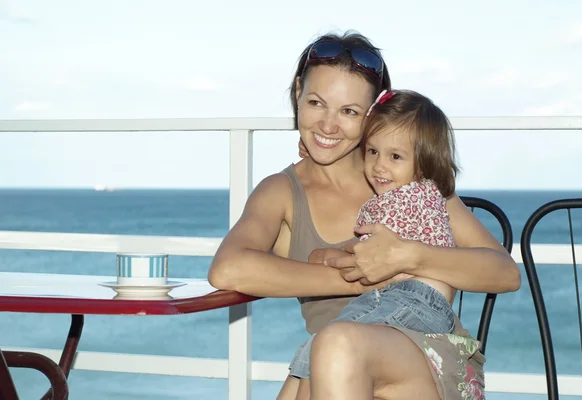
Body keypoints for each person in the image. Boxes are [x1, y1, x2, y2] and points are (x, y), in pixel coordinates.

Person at [208, 30, 521, 400]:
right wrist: (367, 278)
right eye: (316, 103)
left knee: (334, 349)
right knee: (329, 353)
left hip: (421, 361)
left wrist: (411, 256)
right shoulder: (282, 192)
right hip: (332, 366)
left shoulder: (403, 177)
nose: (328, 125)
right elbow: (228, 270)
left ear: (373, 115)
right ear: (297, 95)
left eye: (349, 112)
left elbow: (505, 273)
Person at [289, 88, 462, 399]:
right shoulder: (392, 197)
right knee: (312, 355)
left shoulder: (418, 195)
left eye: (395, 156)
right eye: (372, 152)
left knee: (323, 350)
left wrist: (331, 255)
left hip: (417, 301)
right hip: (391, 301)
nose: (380, 165)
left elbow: (373, 260)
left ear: (423, 164)